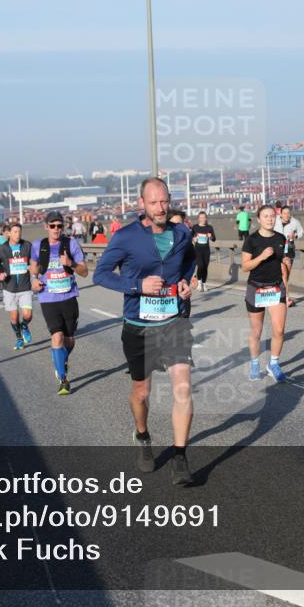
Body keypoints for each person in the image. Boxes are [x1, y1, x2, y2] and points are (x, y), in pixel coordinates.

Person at [93, 177, 196, 486]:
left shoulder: (181, 233)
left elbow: (189, 263)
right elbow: (100, 275)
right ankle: (142, 435)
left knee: (183, 388)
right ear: (142, 204)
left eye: (164, 201)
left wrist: (185, 282)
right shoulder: (126, 237)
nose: (161, 207)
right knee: (142, 392)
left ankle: (180, 457)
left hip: (174, 322)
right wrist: (137, 286)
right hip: (139, 326)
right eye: (154, 203)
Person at [30, 211, 89, 395]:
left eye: (59, 225)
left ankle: (60, 361)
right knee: (56, 337)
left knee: (69, 341)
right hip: (48, 298)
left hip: (69, 297)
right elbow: (34, 265)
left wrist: (70, 263)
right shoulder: (38, 245)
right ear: (46, 226)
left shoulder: (71, 243)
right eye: (53, 225)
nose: (56, 229)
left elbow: (85, 272)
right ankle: (63, 380)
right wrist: (33, 279)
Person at [243, 205, 290, 381]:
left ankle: (274, 364)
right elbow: (245, 266)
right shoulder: (251, 240)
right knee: (257, 331)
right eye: (266, 216)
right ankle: (255, 363)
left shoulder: (281, 238)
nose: (270, 219)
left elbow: (283, 265)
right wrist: (261, 257)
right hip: (256, 288)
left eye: (272, 216)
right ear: (259, 219)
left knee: (279, 330)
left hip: (276, 287)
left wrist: (288, 290)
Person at [0, 222, 35, 350]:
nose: (18, 234)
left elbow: (35, 261)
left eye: (19, 231)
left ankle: (24, 326)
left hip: (25, 286)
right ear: (9, 233)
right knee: (14, 316)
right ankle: (19, 338)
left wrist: (33, 266)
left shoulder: (27, 246)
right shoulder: (3, 249)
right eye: (15, 231)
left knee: (28, 315)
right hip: (9, 287)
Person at [273, 205, 304, 306]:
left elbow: (301, 232)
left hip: (289, 249)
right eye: (285, 213)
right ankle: (286, 298)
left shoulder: (294, 222)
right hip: (278, 249)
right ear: (280, 214)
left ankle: (280, 293)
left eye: (288, 213)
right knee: (284, 275)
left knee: (286, 275)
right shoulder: (275, 220)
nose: (287, 215)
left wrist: (295, 236)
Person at [191, 211, 216, 292]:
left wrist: (211, 236)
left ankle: (204, 284)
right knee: (200, 265)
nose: (203, 219)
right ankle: (199, 282)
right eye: (201, 218)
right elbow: (189, 237)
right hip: (197, 250)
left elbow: (214, 239)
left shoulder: (209, 227)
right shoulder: (195, 227)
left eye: (204, 217)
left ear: (206, 218)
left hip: (206, 250)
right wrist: (193, 239)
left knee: (205, 267)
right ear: (198, 219)